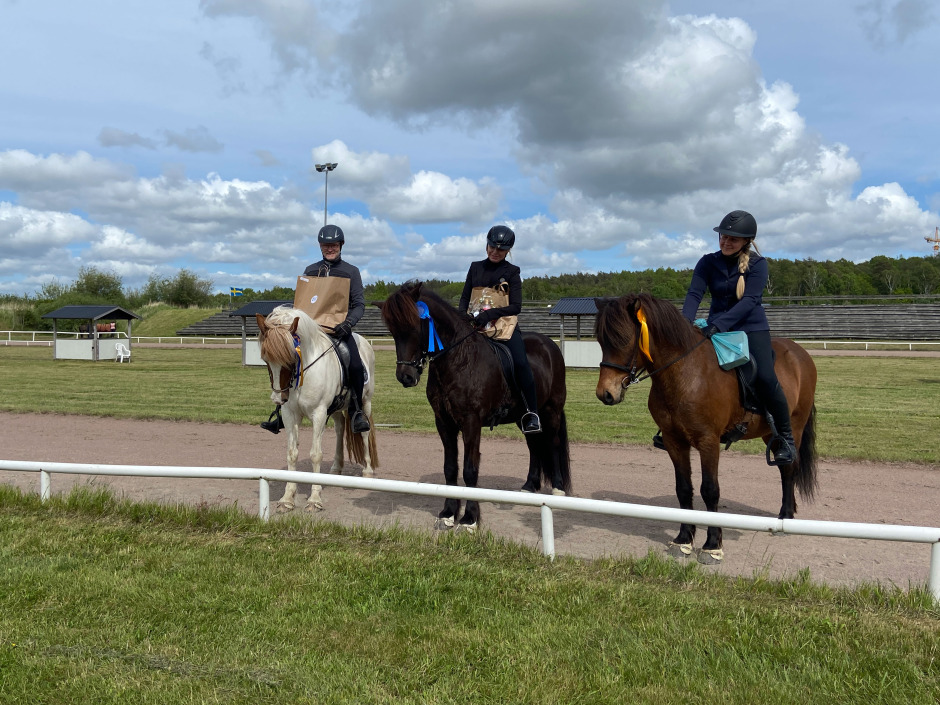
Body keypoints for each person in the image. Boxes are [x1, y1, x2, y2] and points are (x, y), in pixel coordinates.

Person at [680, 210, 796, 464]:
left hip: (750, 328)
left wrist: (718, 324)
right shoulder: (707, 262)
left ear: (746, 241)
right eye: (723, 236)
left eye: (733, 238)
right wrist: (683, 324)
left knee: (765, 376)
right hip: (713, 328)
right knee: (688, 369)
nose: (725, 242)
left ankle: (785, 438)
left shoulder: (758, 264)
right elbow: (693, 295)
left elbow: (750, 301)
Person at [261, 223, 371, 435]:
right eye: (325, 245)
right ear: (320, 246)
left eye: (334, 245)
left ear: (341, 245)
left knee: (356, 365)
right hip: (310, 332)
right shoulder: (310, 271)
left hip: (339, 331)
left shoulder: (351, 271)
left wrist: (347, 324)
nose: (330, 249)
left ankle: (357, 411)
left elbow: (359, 304)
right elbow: (301, 304)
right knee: (285, 360)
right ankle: (281, 409)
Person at [458, 225, 541, 434]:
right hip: (474, 326)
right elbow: (464, 298)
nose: (495, 252)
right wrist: (462, 316)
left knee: (521, 362)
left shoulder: (512, 272)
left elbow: (516, 306)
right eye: (492, 247)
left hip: (504, 327)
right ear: (487, 245)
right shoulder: (475, 267)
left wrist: (489, 315)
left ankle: (531, 412)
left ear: (508, 251)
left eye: (501, 250)